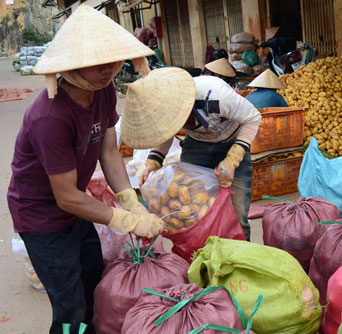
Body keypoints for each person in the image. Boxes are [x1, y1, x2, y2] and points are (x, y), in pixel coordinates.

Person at [6, 4, 165, 333]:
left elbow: (108, 150)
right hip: (41, 217)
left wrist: (130, 200)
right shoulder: (50, 117)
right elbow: (65, 197)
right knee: (69, 305)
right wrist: (125, 221)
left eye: (110, 59)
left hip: (76, 210)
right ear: (71, 65)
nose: (106, 70)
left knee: (95, 283)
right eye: (94, 64)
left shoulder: (103, 91)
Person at [121, 67, 262, 241]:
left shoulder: (216, 95)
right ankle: (200, 256)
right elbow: (167, 132)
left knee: (237, 216)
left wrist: (233, 159)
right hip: (196, 147)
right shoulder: (165, 109)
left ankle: (242, 260)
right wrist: (153, 161)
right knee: (190, 211)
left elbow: (253, 118)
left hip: (232, 144)